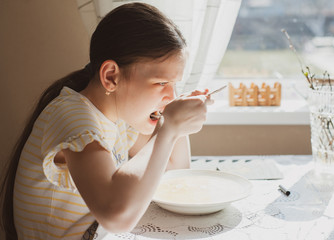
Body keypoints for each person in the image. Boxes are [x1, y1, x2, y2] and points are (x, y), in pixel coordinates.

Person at [0, 3, 212, 239]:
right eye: (162, 83)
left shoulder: (118, 116)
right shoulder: (73, 118)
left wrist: (176, 122)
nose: (171, 95)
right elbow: (116, 216)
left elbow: (173, 169)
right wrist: (168, 128)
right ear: (111, 76)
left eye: (176, 85)